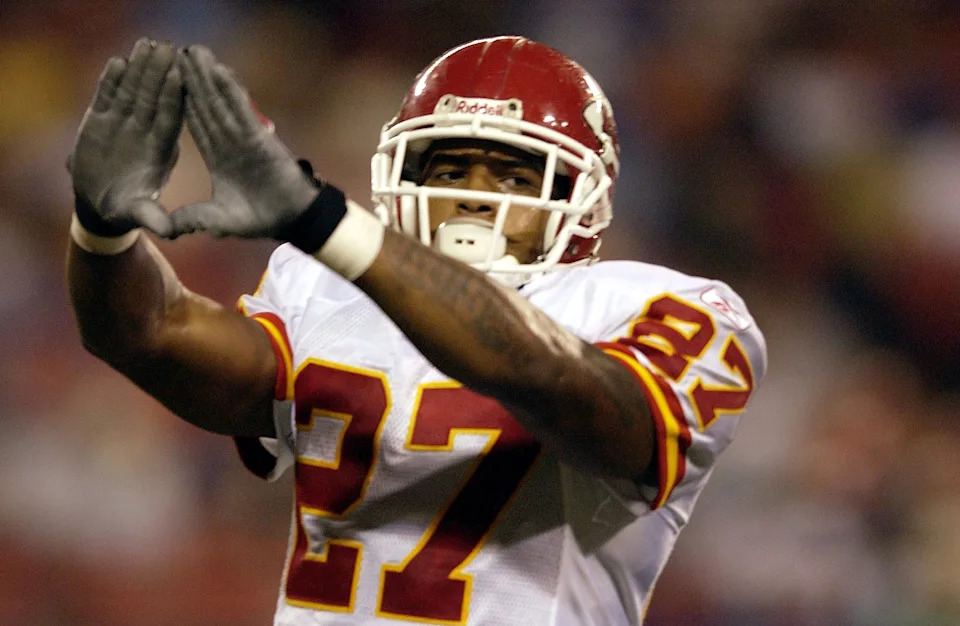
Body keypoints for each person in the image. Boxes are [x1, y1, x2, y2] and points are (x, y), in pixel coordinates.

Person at [66, 36, 767, 625]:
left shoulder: (670, 306)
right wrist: (102, 231)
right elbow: (149, 331)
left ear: (580, 194)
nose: (473, 193)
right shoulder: (321, 281)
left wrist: (328, 224)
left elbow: (565, 390)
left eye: (515, 175)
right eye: (451, 165)